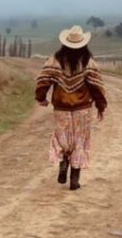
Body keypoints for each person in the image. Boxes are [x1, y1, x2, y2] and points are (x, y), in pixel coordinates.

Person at [34, 25, 108, 190]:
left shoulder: (55, 59)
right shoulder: (88, 61)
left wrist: (41, 97)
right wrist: (101, 105)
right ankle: (74, 179)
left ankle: (64, 161)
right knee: (79, 141)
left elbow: (43, 80)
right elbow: (96, 86)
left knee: (63, 139)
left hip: (61, 108)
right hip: (83, 109)